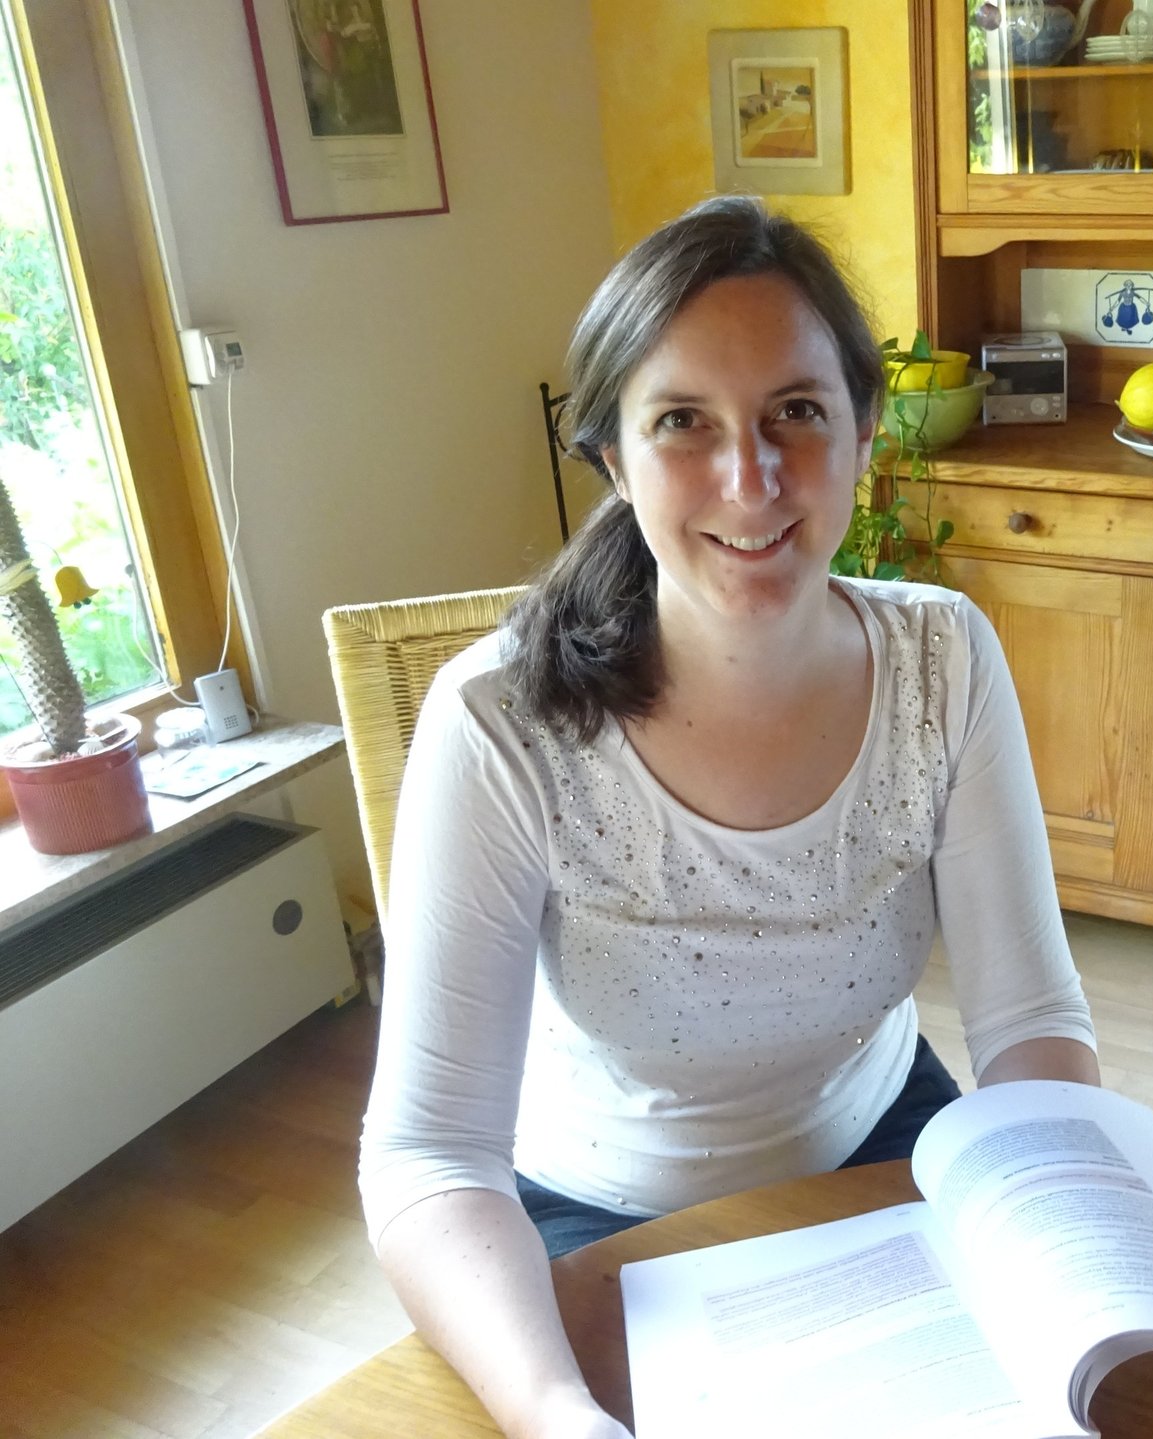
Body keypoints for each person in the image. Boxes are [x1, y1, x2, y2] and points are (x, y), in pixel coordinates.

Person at [358, 195, 1100, 1439]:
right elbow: (430, 1152)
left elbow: (1031, 1025)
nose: (749, 480)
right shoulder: (502, 721)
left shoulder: (943, 660)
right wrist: (556, 1413)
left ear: (866, 429)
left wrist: (1087, 1266)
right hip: (604, 1213)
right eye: (683, 423)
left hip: (884, 1137)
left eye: (796, 414)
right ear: (612, 457)